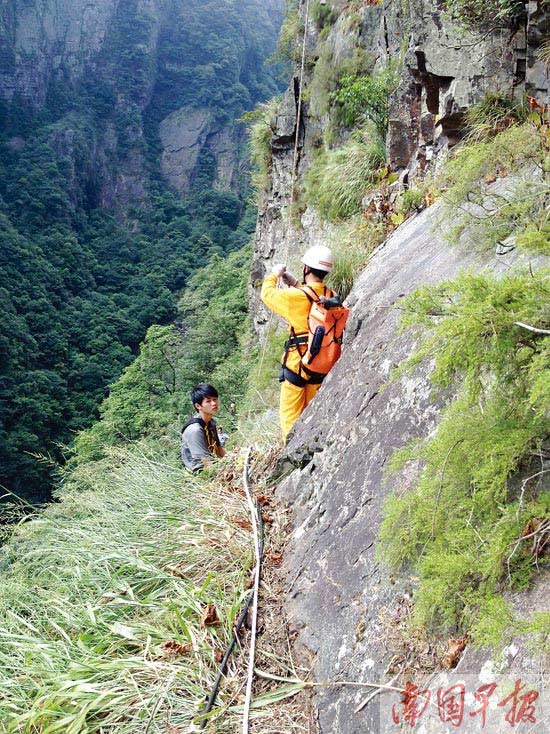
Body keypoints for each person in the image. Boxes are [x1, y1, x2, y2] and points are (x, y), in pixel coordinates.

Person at [260, 244, 337, 440]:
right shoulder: (331, 295)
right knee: (311, 415)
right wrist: (294, 283)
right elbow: (312, 298)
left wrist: (274, 274)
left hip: (297, 364)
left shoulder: (296, 297)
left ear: (306, 268)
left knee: (290, 419)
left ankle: (291, 455)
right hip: (320, 364)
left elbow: (266, 294)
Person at [181, 383, 226, 472]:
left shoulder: (210, 423)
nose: (214, 403)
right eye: (208, 401)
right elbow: (205, 462)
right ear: (198, 406)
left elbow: (219, 450)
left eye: (215, 399)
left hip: (214, 465)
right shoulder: (195, 430)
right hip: (200, 473)